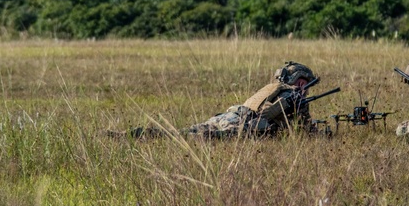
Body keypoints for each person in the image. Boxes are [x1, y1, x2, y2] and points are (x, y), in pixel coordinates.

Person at [110, 62, 320, 140]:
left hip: (228, 115)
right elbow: (269, 118)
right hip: (238, 124)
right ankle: (133, 136)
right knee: (189, 138)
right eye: (303, 82)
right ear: (297, 80)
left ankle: (133, 134)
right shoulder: (289, 95)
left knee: (181, 133)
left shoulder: (271, 88)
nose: (304, 88)